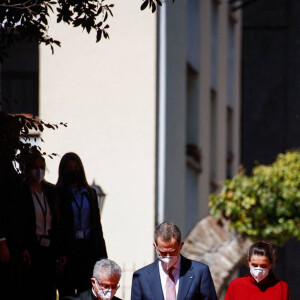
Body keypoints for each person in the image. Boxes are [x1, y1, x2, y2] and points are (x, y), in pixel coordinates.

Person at [56, 152, 108, 299]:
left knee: (87, 293)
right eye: (70, 168)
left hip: (87, 250)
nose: (73, 171)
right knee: (67, 293)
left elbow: (97, 227)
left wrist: (102, 256)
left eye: (76, 167)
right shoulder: (58, 194)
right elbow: (57, 227)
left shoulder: (90, 193)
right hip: (68, 251)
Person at [131, 222, 218, 300]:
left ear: (180, 246)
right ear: (155, 246)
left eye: (172, 252)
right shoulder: (141, 277)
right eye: (163, 252)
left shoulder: (200, 272)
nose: (168, 256)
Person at [21, 152, 66, 300]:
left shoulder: (51, 192)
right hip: (32, 247)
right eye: (35, 167)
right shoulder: (22, 191)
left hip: (49, 248)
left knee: (49, 289)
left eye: (41, 167)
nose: (39, 171)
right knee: (32, 288)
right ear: (27, 169)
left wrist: (60, 253)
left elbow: (58, 222)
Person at [224, 240, 291, 300]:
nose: (258, 270)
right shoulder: (236, 286)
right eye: (255, 265)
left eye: (263, 266)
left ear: (271, 264)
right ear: (248, 262)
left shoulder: (281, 288)